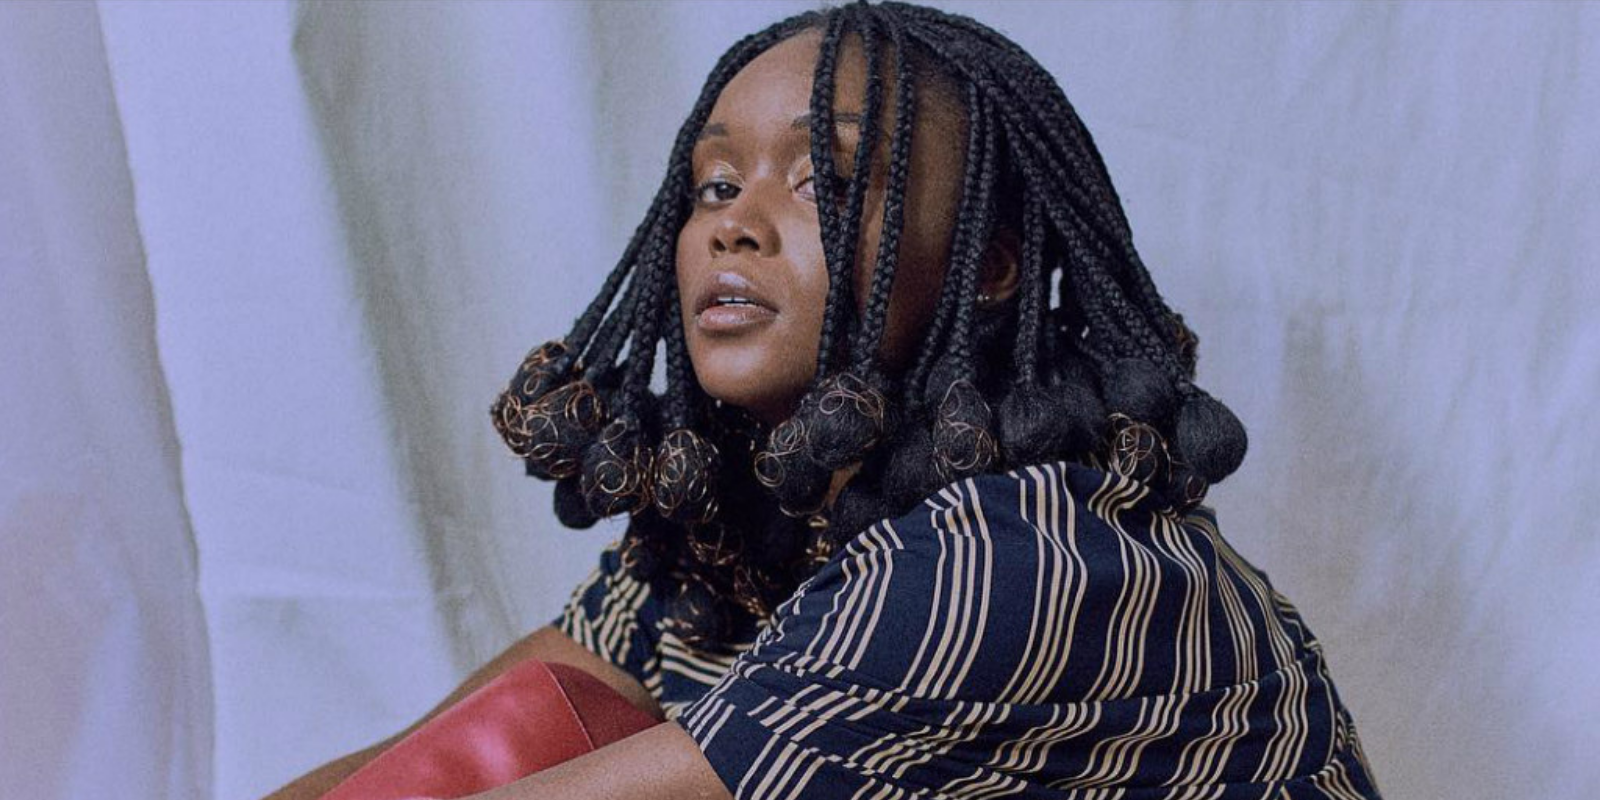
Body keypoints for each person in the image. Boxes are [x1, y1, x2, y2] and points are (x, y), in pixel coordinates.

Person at [266, 2, 1382, 798]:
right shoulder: (739, 538)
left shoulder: (1025, 556)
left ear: (989, 267)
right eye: (715, 184)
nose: (733, 226)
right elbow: (408, 766)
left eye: (824, 182)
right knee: (543, 713)